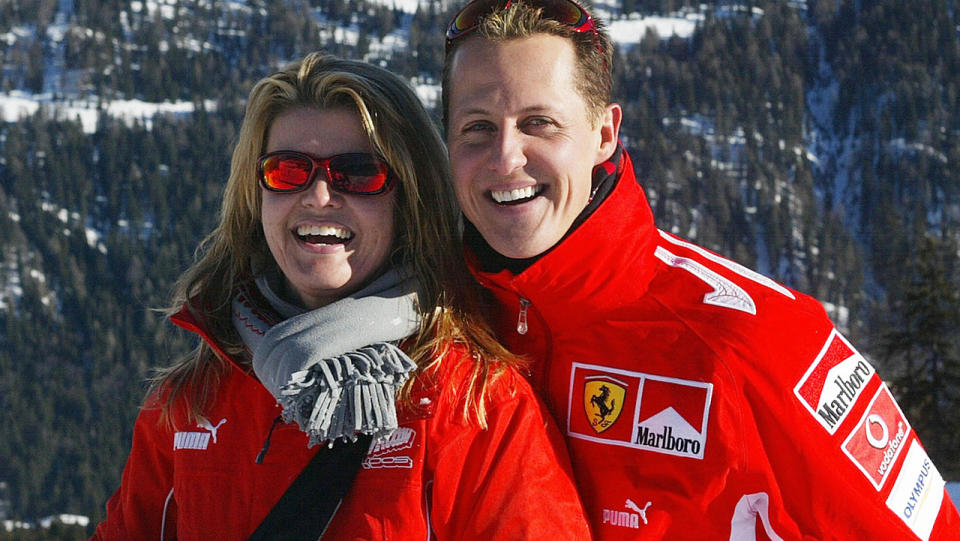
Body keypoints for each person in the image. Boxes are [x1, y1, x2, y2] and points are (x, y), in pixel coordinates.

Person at [441, 0, 960, 539]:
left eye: (539, 123)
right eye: (477, 128)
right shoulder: (436, 323)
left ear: (603, 135)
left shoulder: (760, 339)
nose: (505, 157)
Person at [92, 52, 592, 540]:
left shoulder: (473, 404)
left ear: (409, 201)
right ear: (256, 193)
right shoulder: (191, 402)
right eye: (287, 171)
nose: (318, 196)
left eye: (357, 174)